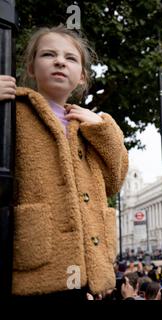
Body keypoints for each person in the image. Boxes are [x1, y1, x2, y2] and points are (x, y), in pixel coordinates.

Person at [0, 25, 128, 299]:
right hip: (35, 265)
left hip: (87, 269)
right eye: (48, 54)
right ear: (32, 68)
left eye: (71, 58)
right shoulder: (14, 109)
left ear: (82, 76)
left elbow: (114, 181)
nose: (60, 61)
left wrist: (105, 129)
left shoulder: (88, 125)